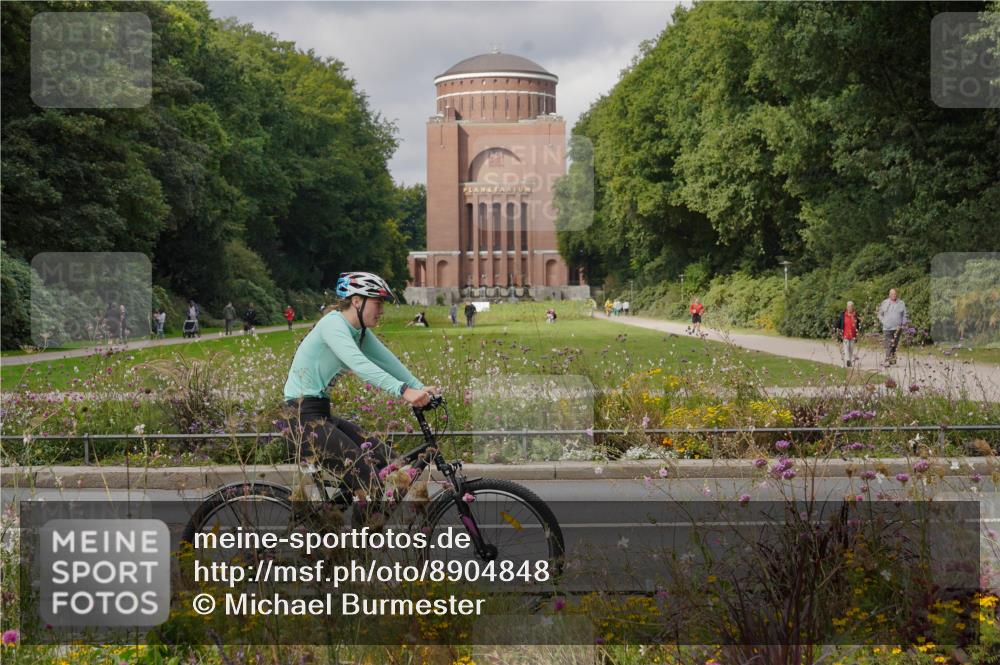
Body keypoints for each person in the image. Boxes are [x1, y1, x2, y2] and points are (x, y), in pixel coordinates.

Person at [282, 271, 439, 505]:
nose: (382, 310)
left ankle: (338, 526)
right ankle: (360, 540)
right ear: (356, 301)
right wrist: (405, 391)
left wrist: (419, 387)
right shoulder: (333, 324)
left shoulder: (359, 331)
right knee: (370, 482)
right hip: (301, 419)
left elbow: (387, 361)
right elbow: (360, 364)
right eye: (377, 303)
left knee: (390, 463)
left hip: (321, 415)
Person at [877, 288, 908, 366]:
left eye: (895, 294)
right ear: (889, 295)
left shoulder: (901, 303)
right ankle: (887, 360)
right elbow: (880, 314)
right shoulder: (885, 302)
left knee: (894, 344)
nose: (894, 295)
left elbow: (904, 315)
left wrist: (903, 324)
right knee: (888, 344)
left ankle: (893, 360)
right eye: (892, 294)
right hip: (887, 328)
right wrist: (884, 322)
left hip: (897, 327)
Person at [835, 301, 862, 367]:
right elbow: (838, 323)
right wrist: (837, 329)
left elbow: (859, 324)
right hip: (845, 335)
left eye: (851, 306)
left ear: (853, 307)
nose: (850, 308)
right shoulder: (843, 315)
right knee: (846, 348)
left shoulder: (855, 315)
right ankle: (847, 360)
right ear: (847, 307)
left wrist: (859, 331)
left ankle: (849, 361)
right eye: (849, 306)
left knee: (851, 349)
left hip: (853, 335)